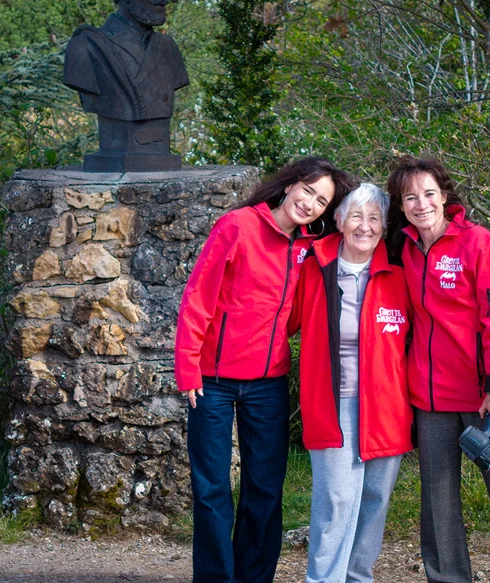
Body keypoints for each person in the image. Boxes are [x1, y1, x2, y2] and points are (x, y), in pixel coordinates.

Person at [175, 157, 356, 583]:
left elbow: (298, 313)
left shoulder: (308, 249)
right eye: (308, 191)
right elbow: (198, 295)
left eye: (322, 201)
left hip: (268, 383)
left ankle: (253, 577)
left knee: (265, 488)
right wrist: (188, 367)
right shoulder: (238, 225)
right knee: (212, 488)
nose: (310, 203)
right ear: (290, 184)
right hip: (212, 382)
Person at [385, 157, 490, 583]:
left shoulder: (479, 243)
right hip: (429, 399)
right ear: (401, 206)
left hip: (483, 399)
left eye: (428, 193)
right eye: (410, 197)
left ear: (444, 196)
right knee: (437, 503)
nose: (421, 203)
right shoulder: (403, 248)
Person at [289, 184, 413, 583]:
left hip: (387, 404)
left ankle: (358, 577)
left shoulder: (399, 272)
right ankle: (323, 580)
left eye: (374, 217)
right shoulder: (313, 267)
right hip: (332, 402)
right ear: (339, 221)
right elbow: (281, 320)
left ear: (384, 225)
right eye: (356, 216)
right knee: (337, 499)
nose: (365, 226)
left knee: (374, 500)